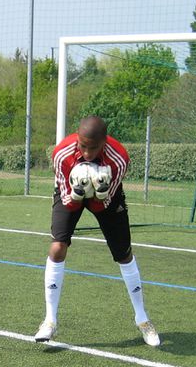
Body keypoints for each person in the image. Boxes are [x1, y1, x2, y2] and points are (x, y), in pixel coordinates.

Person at [34, 115, 160, 346]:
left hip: (106, 199)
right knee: (57, 246)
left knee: (124, 254)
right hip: (71, 193)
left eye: (93, 148)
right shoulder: (62, 154)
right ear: (77, 139)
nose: (87, 153)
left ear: (105, 142)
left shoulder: (118, 159)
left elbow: (101, 204)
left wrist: (98, 190)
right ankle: (49, 320)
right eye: (82, 146)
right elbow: (67, 200)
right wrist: (79, 191)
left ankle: (142, 319)